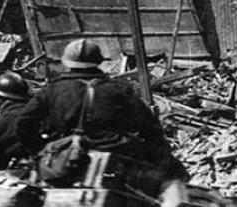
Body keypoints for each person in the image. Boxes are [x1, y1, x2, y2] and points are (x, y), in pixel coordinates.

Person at [16, 39, 189, 206]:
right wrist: (161, 155)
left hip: (65, 161)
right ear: (98, 62)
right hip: (116, 157)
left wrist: (40, 148)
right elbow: (149, 128)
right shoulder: (119, 89)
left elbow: (23, 124)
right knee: (171, 183)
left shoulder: (51, 91)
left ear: (67, 63)